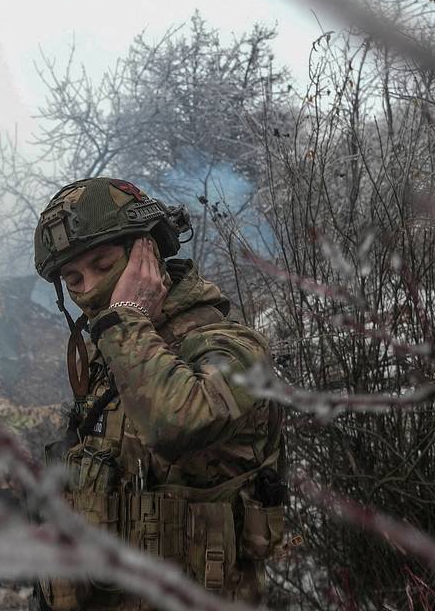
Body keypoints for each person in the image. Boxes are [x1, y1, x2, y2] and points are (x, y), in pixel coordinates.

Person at [30, 177, 286, 610]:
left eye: (103, 263)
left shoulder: (227, 343)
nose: (88, 287)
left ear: (146, 254)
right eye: (72, 278)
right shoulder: (114, 353)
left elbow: (179, 422)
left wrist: (126, 320)